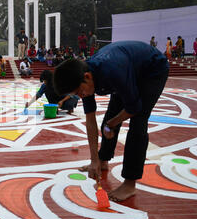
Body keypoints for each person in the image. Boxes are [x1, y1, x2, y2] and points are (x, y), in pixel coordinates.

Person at [53, 41, 169, 202]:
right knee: (109, 118)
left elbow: (133, 108)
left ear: (87, 78)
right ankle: (103, 161)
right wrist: (94, 160)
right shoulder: (85, 76)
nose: (81, 96)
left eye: (80, 92)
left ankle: (130, 184)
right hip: (127, 70)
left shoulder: (113, 71)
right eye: (76, 94)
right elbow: (90, 120)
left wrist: (112, 124)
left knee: (138, 123)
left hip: (152, 70)